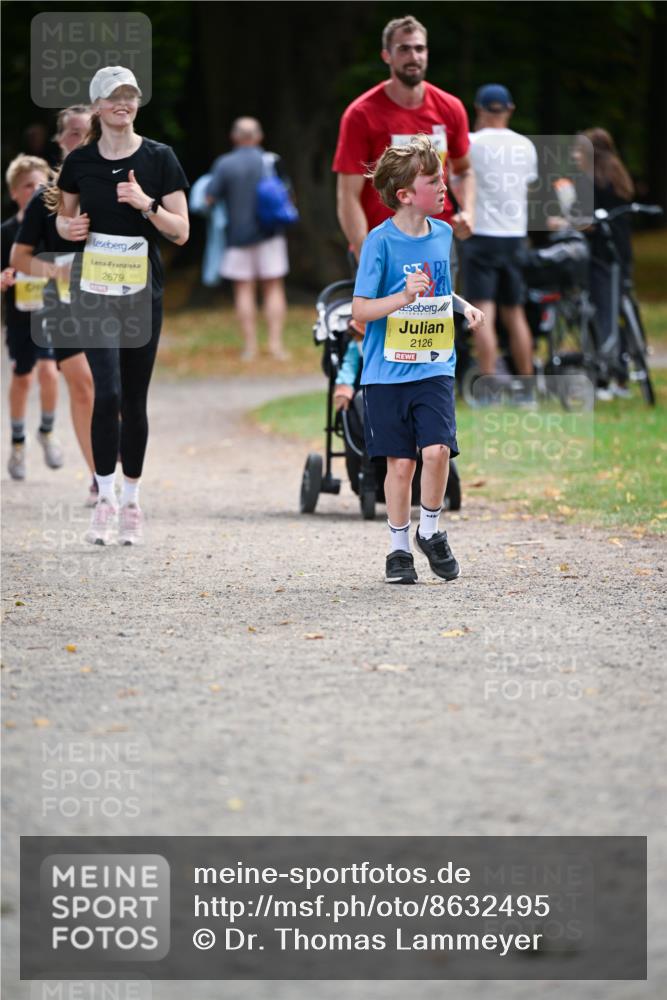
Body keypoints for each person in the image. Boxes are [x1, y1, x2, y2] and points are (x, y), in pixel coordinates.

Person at [56, 66, 189, 545]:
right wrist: (65, 231)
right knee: (106, 393)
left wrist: (145, 203)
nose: (124, 103)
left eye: (131, 95)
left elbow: (182, 230)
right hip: (95, 291)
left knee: (133, 398)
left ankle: (132, 499)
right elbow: (64, 221)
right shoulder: (80, 162)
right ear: (97, 106)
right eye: (114, 96)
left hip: (141, 294)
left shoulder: (159, 158)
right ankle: (105, 499)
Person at [351, 135, 483, 584]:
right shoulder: (379, 242)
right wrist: (401, 297)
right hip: (386, 372)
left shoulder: (443, 233)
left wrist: (463, 307)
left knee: (438, 449)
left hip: (434, 364)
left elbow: (440, 290)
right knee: (401, 464)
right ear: (406, 194)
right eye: (434, 180)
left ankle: (430, 529)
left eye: (443, 178)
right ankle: (398, 548)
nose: (444, 187)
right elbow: (360, 311)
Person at [333, 14, 475, 266]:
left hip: (437, 241)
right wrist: (366, 252)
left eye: (419, 48)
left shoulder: (450, 108)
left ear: (427, 53)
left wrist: (469, 211)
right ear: (387, 55)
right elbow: (348, 195)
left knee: (442, 307)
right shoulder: (361, 114)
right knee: (383, 308)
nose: (414, 56)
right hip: (383, 243)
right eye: (404, 49)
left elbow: (463, 170)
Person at [11, 105, 97, 504]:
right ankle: (101, 477)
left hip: (115, 302)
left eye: (89, 132)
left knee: (113, 393)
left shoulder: (116, 185)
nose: (83, 139)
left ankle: (118, 471)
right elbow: (19, 257)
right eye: (75, 133)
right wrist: (54, 271)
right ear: (61, 141)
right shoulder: (47, 196)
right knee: (83, 386)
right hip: (63, 304)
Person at [460, 84, 537, 395]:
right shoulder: (525, 146)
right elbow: (528, 185)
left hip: (481, 235)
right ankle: (528, 384)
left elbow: (459, 179)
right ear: (510, 109)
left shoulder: (469, 143)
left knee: (482, 311)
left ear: (478, 109)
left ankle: (489, 385)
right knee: (515, 312)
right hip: (515, 236)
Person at [551, 128, 635, 399]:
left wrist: (565, 208)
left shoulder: (592, 181)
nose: (575, 155)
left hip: (598, 256)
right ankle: (621, 374)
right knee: (615, 311)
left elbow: (585, 222)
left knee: (601, 315)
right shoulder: (618, 177)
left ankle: (604, 376)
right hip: (620, 254)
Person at [207, 117, 291, 362]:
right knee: (273, 287)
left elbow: (210, 199)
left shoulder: (224, 164)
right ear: (258, 137)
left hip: (237, 237)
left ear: (234, 137)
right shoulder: (271, 160)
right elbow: (287, 196)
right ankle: (275, 345)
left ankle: (250, 347)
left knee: (244, 289)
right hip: (271, 234)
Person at [2, 154, 63, 480]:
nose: (36, 191)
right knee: (23, 378)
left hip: (50, 313)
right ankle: (17, 442)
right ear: (14, 192)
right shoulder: (7, 232)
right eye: (28, 186)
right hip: (19, 318)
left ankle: (48, 430)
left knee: (50, 373)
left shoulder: (53, 227)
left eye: (42, 185)